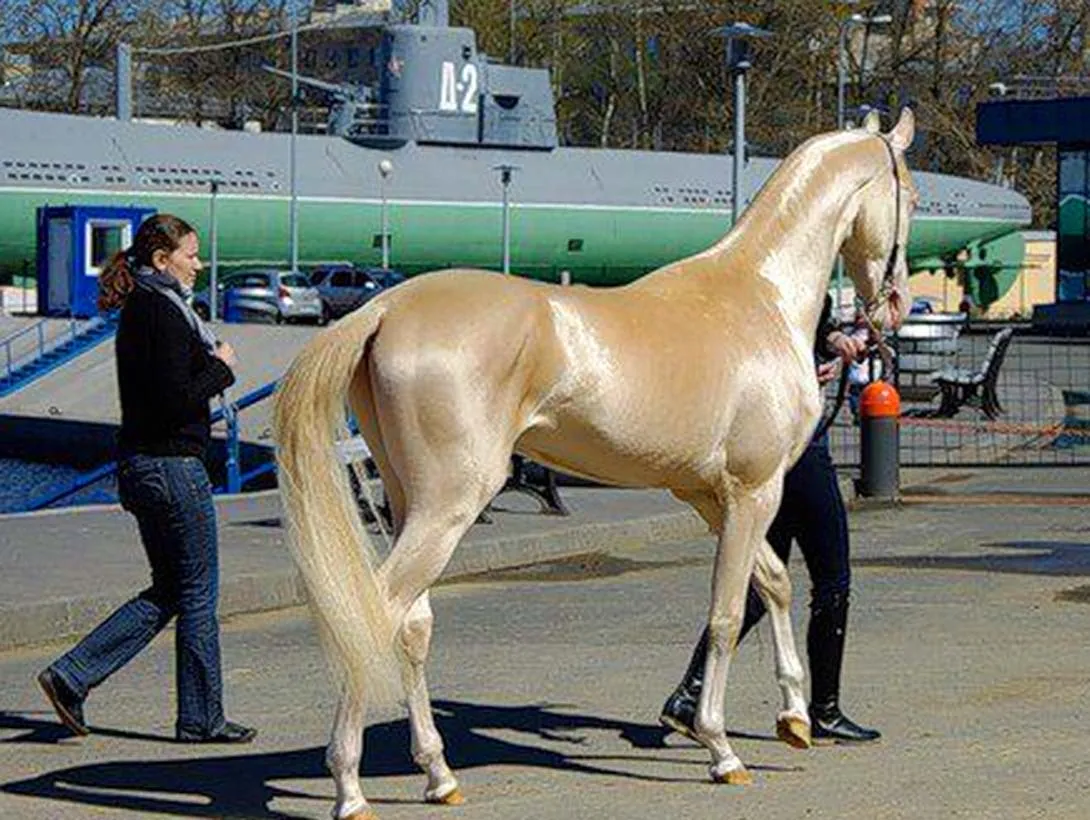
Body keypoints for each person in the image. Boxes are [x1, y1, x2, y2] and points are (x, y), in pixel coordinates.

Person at [37, 214, 256, 744]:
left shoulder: (153, 307)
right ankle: (201, 719)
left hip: (145, 466)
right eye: (191, 254)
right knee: (199, 592)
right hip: (172, 468)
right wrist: (223, 367)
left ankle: (72, 676)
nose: (199, 264)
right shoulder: (160, 311)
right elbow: (173, 398)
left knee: (172, 589)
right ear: (162, 260)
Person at [660, 296, 880, 744]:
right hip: (795, 445)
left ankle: (690, 692)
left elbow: (805, 334)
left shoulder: (762, 289)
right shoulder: (794, 283)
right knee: (833, 579)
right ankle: (825, 710)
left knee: (759, 580)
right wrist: (824, 352)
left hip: (766, 449)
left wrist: (831, 345)